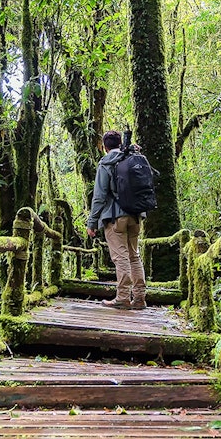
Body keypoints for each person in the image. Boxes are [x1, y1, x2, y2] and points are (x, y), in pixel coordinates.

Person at [86, 130, 146, 310]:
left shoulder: (106, 162)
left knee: (121, 258)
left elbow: (100, 195)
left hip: (114, 217)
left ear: (104, 147)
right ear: (120, 143)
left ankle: (122, 298)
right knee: (134, 256)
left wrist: (92, 222)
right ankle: (140, 297)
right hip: (135, 214)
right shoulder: (131, 157)